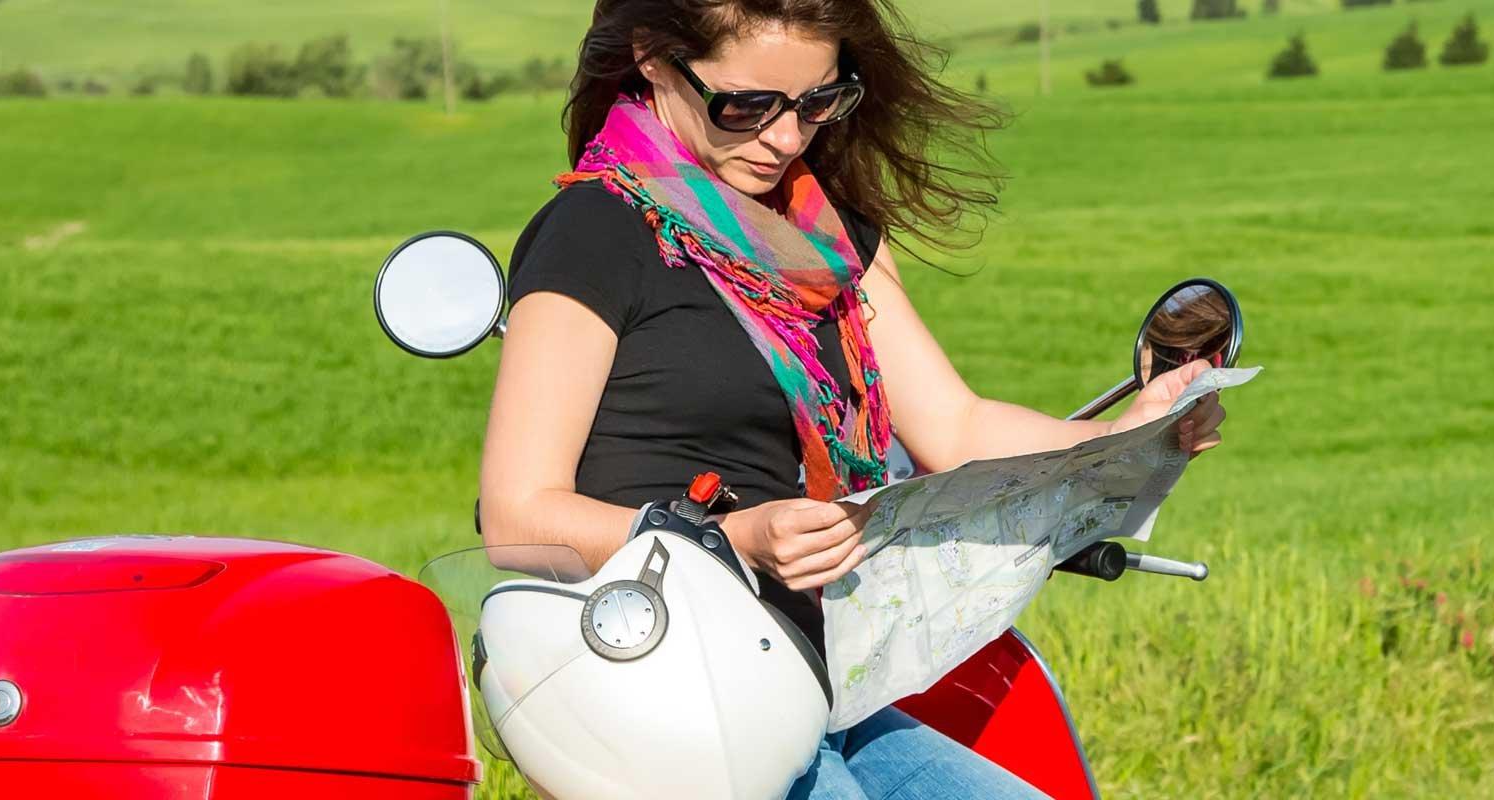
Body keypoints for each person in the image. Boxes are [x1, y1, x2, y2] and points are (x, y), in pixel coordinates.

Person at [477, 1, 1221, 796]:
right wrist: (729, 538)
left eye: (816, 103)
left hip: (814, 681)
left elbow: (955, 426)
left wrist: (1128, 433)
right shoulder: (594, 230)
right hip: (669, 697)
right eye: (748, 105)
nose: (789, 138)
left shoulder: (828, 238)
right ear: (654, 59)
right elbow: (516, 517)